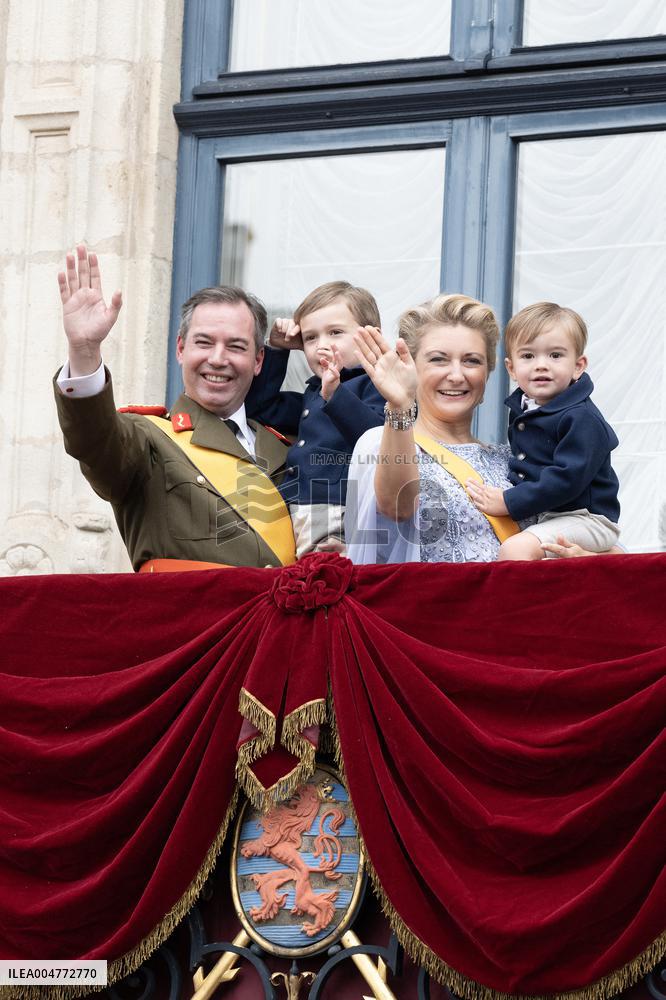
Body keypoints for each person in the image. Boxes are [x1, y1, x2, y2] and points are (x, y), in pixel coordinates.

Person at [54, 245, 296, 572]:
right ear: (181, 349)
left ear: (258, 361)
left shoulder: (287, 448)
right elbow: (96, 442)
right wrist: (84, 352)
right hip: (192, 622)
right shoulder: (148, 438)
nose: (218, 358)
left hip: (281, 623)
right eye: (204, 342)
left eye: (236, 346)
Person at [344, 293, 618, 564]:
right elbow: (396, 507)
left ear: (488, 374)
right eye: (438, 359)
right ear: (411, 368)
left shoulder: (511, 460)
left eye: (471, 361)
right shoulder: (382, 441)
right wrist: (400, 405)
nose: (456, 374)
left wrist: (589, 559)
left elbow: (599, 535)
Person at [465, 302, 621, 560]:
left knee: (515, 549)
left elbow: (566, 479)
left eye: (555, 355)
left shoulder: (581, 417)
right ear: (512, 369)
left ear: (578, 366)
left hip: (587, 518)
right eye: (528, 356)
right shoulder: (528, 409)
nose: (541, 365)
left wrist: (508, 501)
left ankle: (518, 601)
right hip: (553, 515)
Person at [245, 281, 385, 556]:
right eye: (310, 338)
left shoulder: (377, 386)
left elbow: (375, 440)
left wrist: (334, 395)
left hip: (337, 509)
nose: (321, 346)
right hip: (291, 509)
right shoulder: (313, 393)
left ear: (371, 337)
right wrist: (277, 349)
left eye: (335, 332)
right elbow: (261, 408)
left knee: (321, 583)